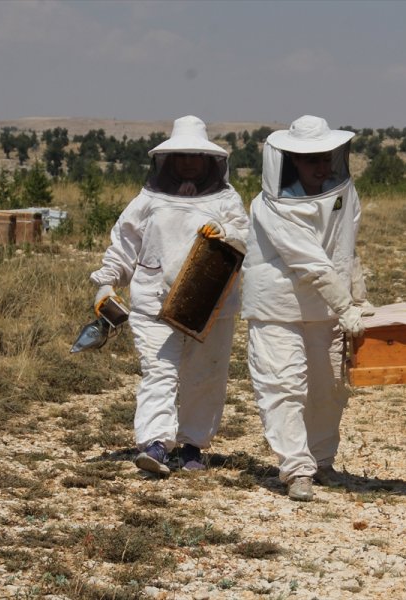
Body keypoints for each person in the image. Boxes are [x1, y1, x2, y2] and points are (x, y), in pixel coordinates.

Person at [90, 115, 249, 476]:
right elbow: (124, 243)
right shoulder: (147, 200)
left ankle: (193, 445)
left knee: (204, 376)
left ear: (208, 160)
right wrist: (107, 282)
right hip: (154, 301)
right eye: (182, 155)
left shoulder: (226, 199)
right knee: (158, 372)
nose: (189, 161)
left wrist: (225, 231)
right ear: (170, 160)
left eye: (195, 155)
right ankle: (156, 444)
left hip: (210, 305)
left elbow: (246, 236)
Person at [241, 115, 371, 501]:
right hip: (277, 308)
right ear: (291, 161)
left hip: (327, 309)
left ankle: (322, 461)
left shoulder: (344, 193)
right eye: (310, 158)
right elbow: (310, 261)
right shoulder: (269, 206)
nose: (320, 165)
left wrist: (359, 296)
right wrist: (346, 305)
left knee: (328, 388)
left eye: (325, 157)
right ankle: (296, 468)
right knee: (283, 386)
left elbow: (348, 247)